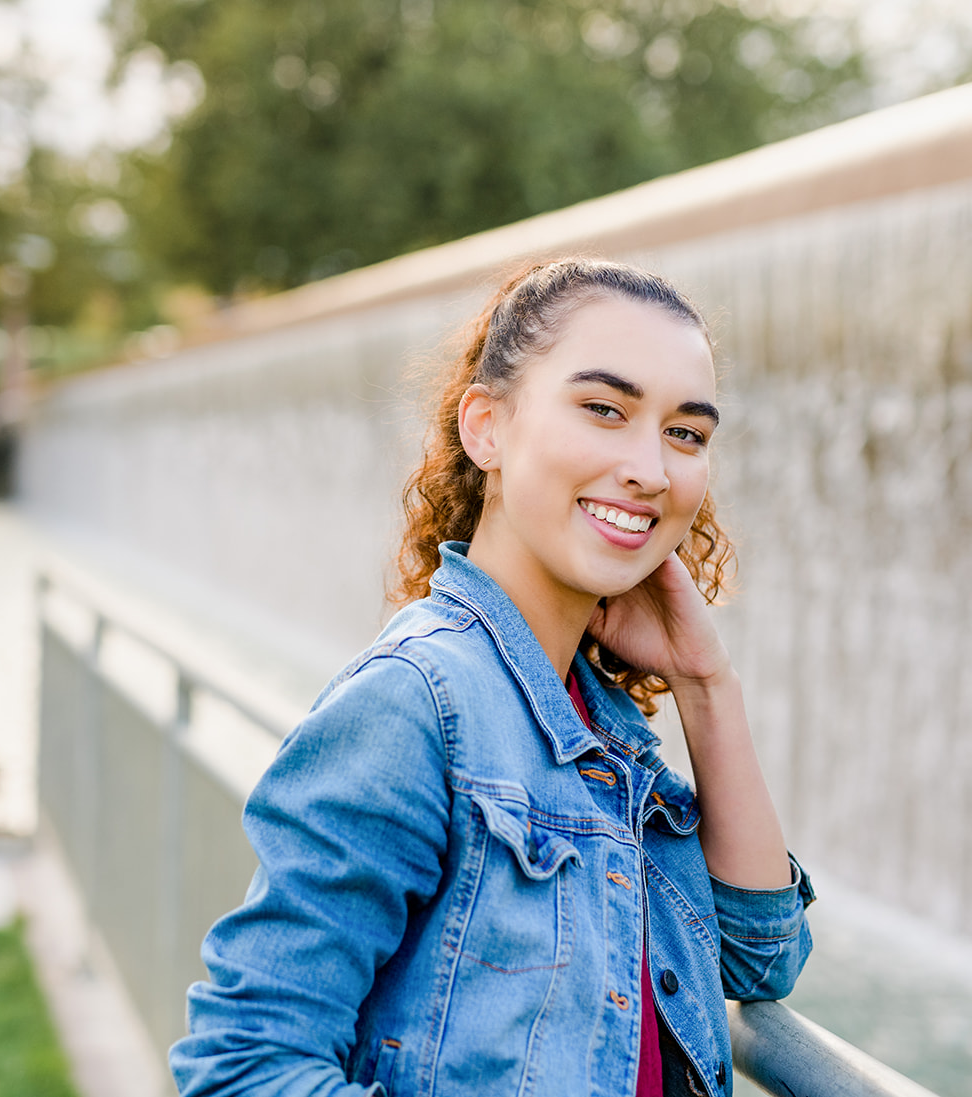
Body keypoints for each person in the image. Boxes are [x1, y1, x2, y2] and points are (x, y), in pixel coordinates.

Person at [170, 258, 814, 1097]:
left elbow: (760, 956)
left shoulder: (602, 724)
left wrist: (706, 683)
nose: (652, 469)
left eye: (684, 433)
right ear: (486, 426)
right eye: (604, 410)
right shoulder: (418, 701)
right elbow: (241, 1064)